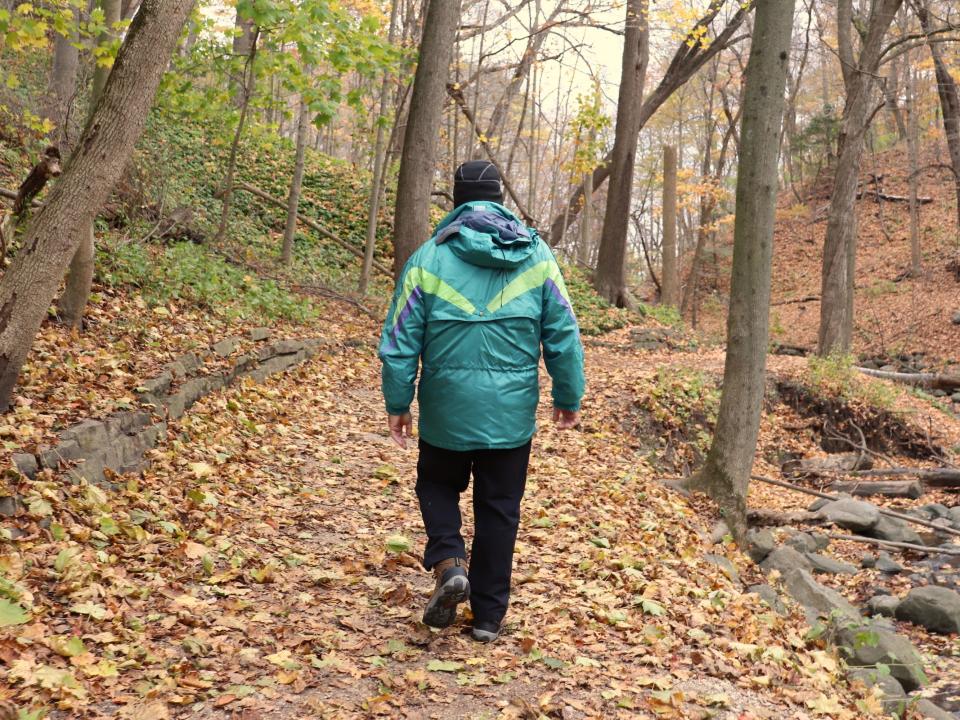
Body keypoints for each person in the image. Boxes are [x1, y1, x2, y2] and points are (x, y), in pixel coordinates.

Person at [379, 160, 585, 642]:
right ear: (499, 197)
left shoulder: (428, 258)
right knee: (500, 508)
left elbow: (399, 340)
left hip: (446, 408)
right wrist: (567, 393)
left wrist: (398, 401)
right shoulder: (537, 258)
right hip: (510, 416)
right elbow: (563, 334)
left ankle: (451, 561)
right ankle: (489, 617)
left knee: (436, 484)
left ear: (457, 199)